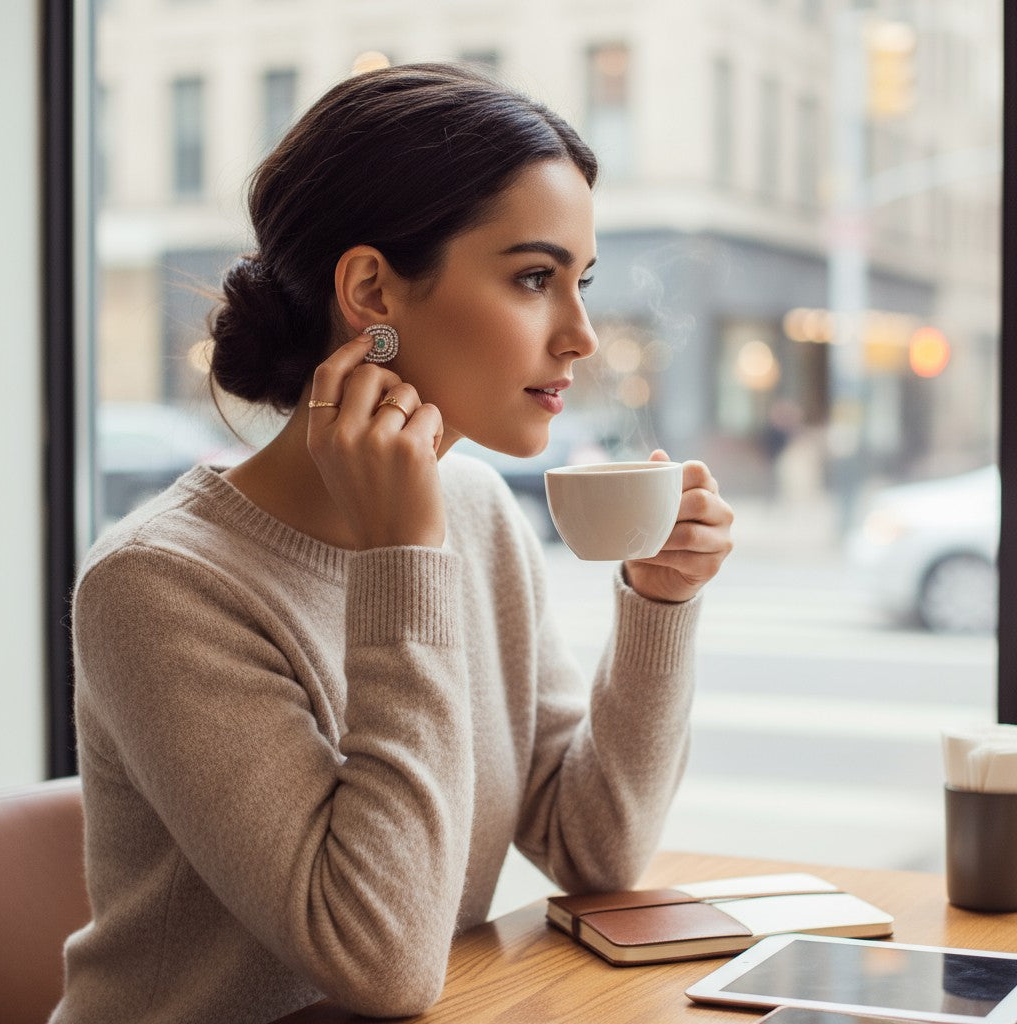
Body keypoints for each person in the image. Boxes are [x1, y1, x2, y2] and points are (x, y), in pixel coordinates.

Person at [53, 63, 733, 1024]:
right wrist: (402, 561)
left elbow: (595, 850)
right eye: (533, 278)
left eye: (581, 282)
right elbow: (383, 962)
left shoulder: (475, 509)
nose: (582, 335)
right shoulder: (159, 585)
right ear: (372, 290)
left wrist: (660, 604)